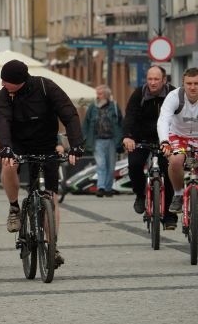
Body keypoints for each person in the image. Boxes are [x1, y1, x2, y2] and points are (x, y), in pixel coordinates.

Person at [0, 59, 84, 268]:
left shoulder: (46, 86)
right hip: (17, 143)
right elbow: (2, 121)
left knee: (50, 197)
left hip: (44, 144)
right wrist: (6, 147)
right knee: (8, 165)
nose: (2, 84)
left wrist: (77, 145)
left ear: (20, 81)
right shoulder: (5, 95)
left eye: (6, 81)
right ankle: (15, 207)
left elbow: (69, 114)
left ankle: (53, 247)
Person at [122, 65, 177, 228]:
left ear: (164, 80)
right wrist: (127, 137)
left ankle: (168, 214)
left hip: (165, 139)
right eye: (150, 79)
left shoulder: (173, 94)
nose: (152, 83)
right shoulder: (139, 94)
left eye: (156, 79)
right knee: (134, 165)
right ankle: (140, 195)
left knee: (169, 173)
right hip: (141, 139)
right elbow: (129, 116)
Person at [157, 67, 198, 216]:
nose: (193, 87)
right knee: (175, 160)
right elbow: (163, 120)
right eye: (189, 83)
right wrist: (164, 141)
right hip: (178, 135)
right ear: (183, 83)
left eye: (196, 83)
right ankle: (178, 194)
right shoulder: (174, 96)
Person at [82, 84, 124, 197]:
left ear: (106, 94)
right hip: (97, 140)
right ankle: (101, 187)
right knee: (101, 164)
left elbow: (121, 123)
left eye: (100, 94)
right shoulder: (92, 107)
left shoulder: (114, 106)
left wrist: (122, 139)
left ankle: (108, 188)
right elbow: (86, 123)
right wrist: (84, 138)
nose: (98, 96)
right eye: (97, 94)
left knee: (111, 166)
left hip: (112, 141)